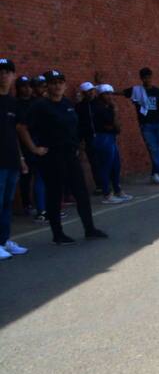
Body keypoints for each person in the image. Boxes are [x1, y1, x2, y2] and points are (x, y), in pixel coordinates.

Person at [16, 70, 107, 244]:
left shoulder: (67, 103)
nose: (57, 86)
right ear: (47, 86)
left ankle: (90, 229)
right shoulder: (40, 106)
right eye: (53, 82)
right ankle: (57, 234)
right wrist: (34, 149)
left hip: (70, 155)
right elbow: (21, 127)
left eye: (60, 82)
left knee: (81, 193)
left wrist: (78, 147)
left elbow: (73, 127)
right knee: (54, 194)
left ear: (64, 85)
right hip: (52, 157)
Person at [0, 59, 30, 258]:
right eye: (0, 72)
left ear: (13, 76)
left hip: (11, 160)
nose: (3, 75)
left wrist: (21, 158)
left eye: (7, 72)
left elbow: (16, 133)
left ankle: (3, 240)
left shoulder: (13, 103)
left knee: (7, 203)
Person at [123, 67, 159, 184]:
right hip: (146, 125)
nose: (147, 79)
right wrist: (106, 91)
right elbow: (123, 92)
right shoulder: (137, 91)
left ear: (151, 77)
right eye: (144, 77)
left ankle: (154, 174)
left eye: (149, 77)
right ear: (141, 79)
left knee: (157, 150)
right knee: (153, 149)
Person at [92, 85, 132, 204]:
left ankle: (117, 190)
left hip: (111, 137)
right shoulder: (99, 108)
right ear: (100, 95)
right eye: (106, 94)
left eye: (111, 93)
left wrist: (114, 116)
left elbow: (117, 127)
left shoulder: (108, 107)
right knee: (106, 166)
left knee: (116, 165)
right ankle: (107, 193)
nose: (110, 96)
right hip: (102, 137)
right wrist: (115, 111)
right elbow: (112, 125)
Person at [13, 75, 43, 220]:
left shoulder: (35, 103)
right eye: (24, 86)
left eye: (29, 86)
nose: (27, 89)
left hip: (38, 142)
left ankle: (41, 206)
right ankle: (27, 204)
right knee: (26, 177)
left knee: (40, 176)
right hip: (23, 146)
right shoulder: (15, 104)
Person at [75, 80, 102, 192]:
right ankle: (100, 185)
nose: (91, 93)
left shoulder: (99, 103)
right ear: (84, 93)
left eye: (92, 90)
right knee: (94, 162)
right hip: (89, 137)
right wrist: (79, 139)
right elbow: (78, 124)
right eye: (88, 91)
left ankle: (107, 182)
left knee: (104, 160)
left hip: (101, 136)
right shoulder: (80, 107)